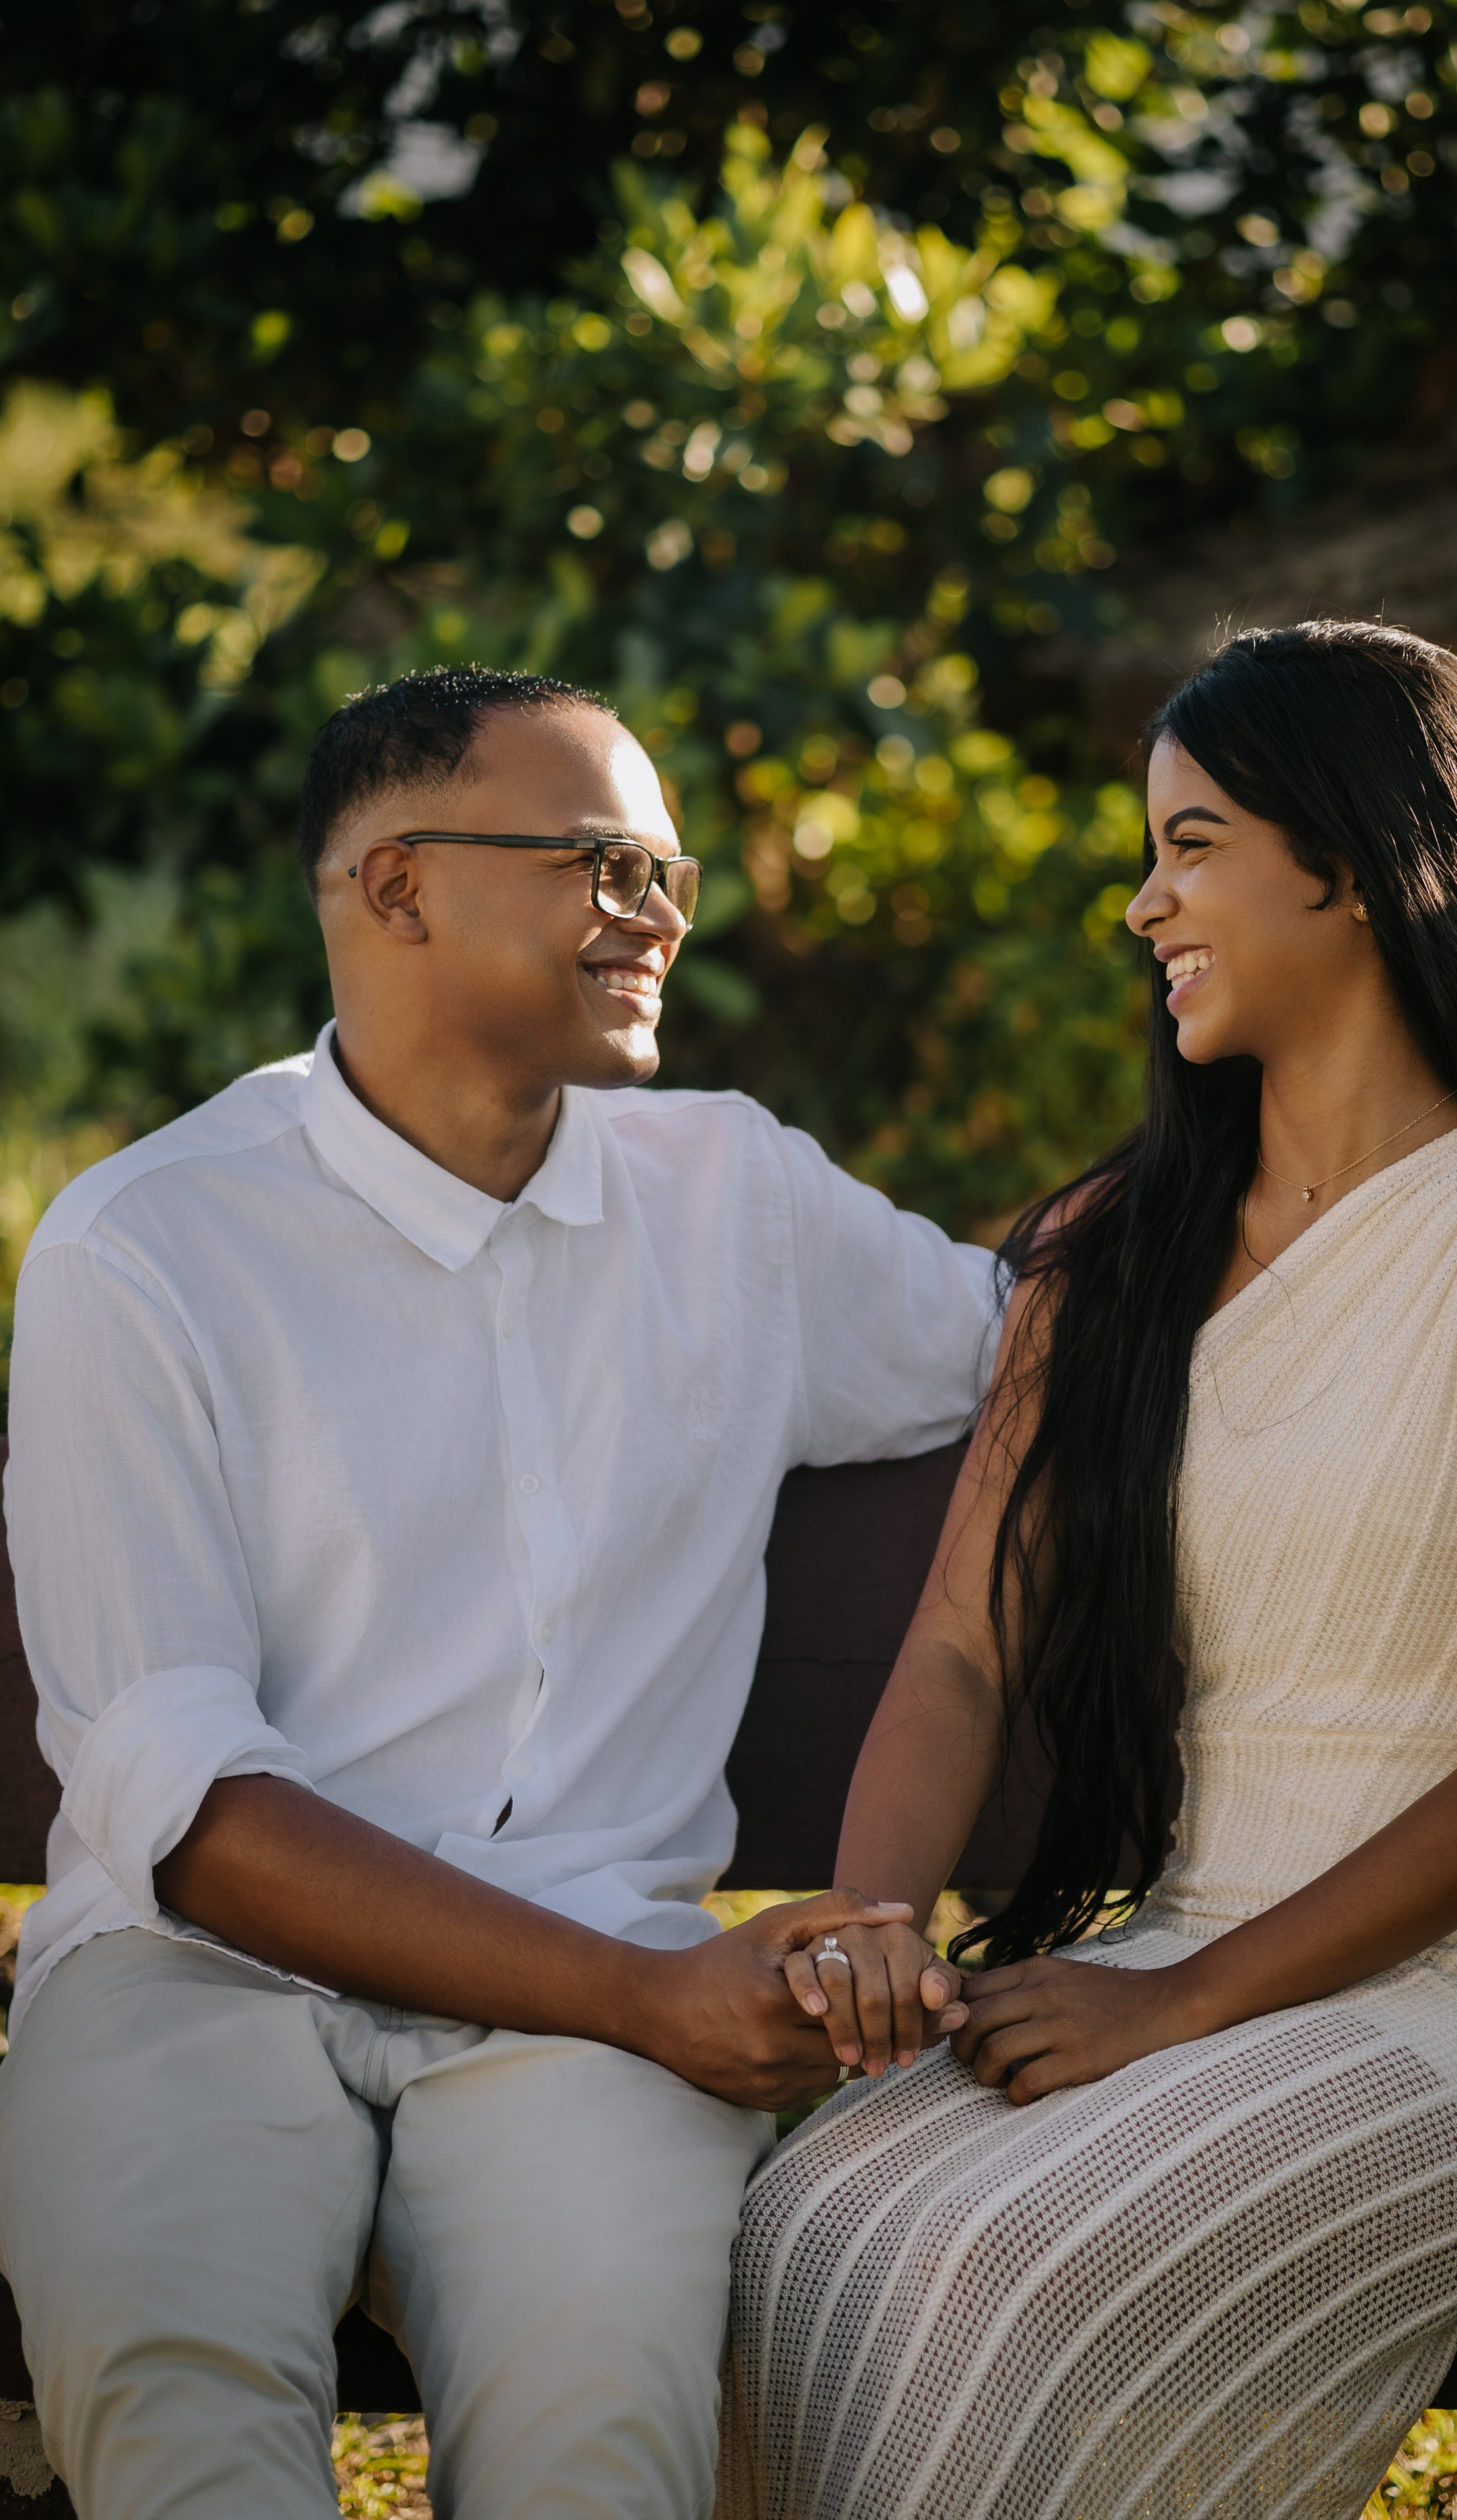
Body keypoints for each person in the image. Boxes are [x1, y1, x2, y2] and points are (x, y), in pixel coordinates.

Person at [0, 665, 998, 2520]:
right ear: (396, 890)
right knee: (176, 2412)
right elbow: (195, 1825)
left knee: (603, 2443)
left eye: (671, 870)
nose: (662, 912)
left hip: (583, 2017)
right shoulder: (148, 1246)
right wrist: (647, 1995)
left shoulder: (738, 1200)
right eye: (604, 860)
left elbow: (1030, 1348)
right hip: (193, 1979)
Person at [719, 622, 1457, 2520]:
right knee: (813, 2217)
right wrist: (873, 1934)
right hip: (1201, 1943)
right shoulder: (1110, 1250)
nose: (1143, 899)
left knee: (1016, 2263)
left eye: (1192, 843)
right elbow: (964, 1654)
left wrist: (1177, 2007)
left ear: (1345, 859)